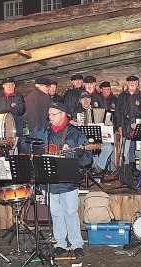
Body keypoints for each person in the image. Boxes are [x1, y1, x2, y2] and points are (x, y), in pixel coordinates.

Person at [22, 102, 92, 258]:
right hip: (49, 179)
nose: (50, 117)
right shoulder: (42, 130)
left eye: (53, 114)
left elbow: (88, 160)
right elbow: (24, 142)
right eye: (49, 114)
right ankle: (60, 243)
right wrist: (38, 149)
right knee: (56, 212)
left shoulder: (75, 134)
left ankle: (76, 244)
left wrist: (79, 154)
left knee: (70, 211)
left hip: (68, 180)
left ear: (63, 115)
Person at [70, 92, 114, 173]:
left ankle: (98, 168)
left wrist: (109, 124)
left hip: (99, 139)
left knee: (109, 147)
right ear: (80, 101)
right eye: (83, 99)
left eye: (87, 98)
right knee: (90, 149)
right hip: (84, 141)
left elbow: (107, 124)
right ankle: (96, 170)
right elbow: (68, 124)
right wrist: (72, 122)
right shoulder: (76, 112)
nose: (86, 101)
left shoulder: (99, 110)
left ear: (90, 99)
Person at [115, 75, 141, 170]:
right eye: (130, 82)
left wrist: (140, 124)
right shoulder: (121, 96)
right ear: (127, 83)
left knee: (138, 149)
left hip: (138, 126)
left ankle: (138, 170)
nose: (132, 83)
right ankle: (127, 170)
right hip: (125, 126)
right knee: (126, 150)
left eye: (134, 82)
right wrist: (119, 126)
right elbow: (117, 113)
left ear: (137, 83)